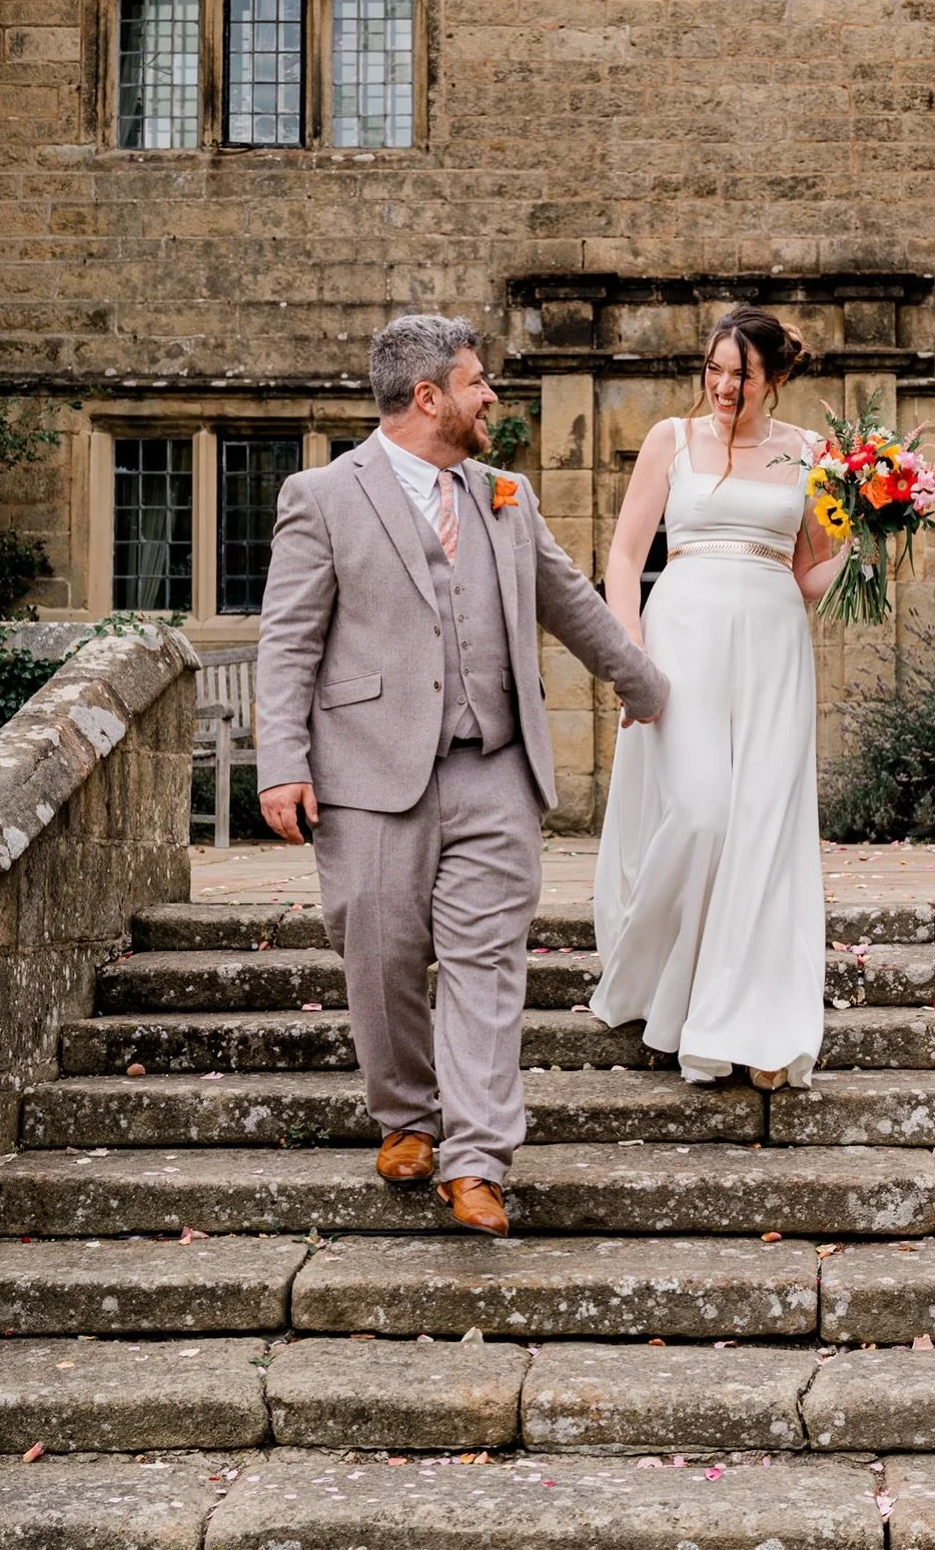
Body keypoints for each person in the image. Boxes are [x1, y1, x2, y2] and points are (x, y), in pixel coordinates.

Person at [255, 314, 668, 1236]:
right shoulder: (323, 496)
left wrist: (646, 685)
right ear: (428, 396)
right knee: (380, 953)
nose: (492, 397)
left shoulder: (506, 495)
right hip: (368, 771)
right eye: (477, 382)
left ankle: (477, 1158)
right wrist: (281, 762)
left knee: (488, 963)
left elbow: (571, 601)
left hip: (496, 770)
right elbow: (287, 640)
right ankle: (407, 1114)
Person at [591, 306, 846, 1090]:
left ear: (775, 377)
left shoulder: (811, 454)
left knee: (762, 827)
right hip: (681, 642)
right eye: (715, 369)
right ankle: (659, 980)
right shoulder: (670, 438)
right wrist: (631, 655)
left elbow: (809, 574)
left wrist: (863, 536)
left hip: (772, 646)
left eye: (742, 373)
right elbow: (624, 557)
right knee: (701, 812)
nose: (725, 385)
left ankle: (749, 1021)